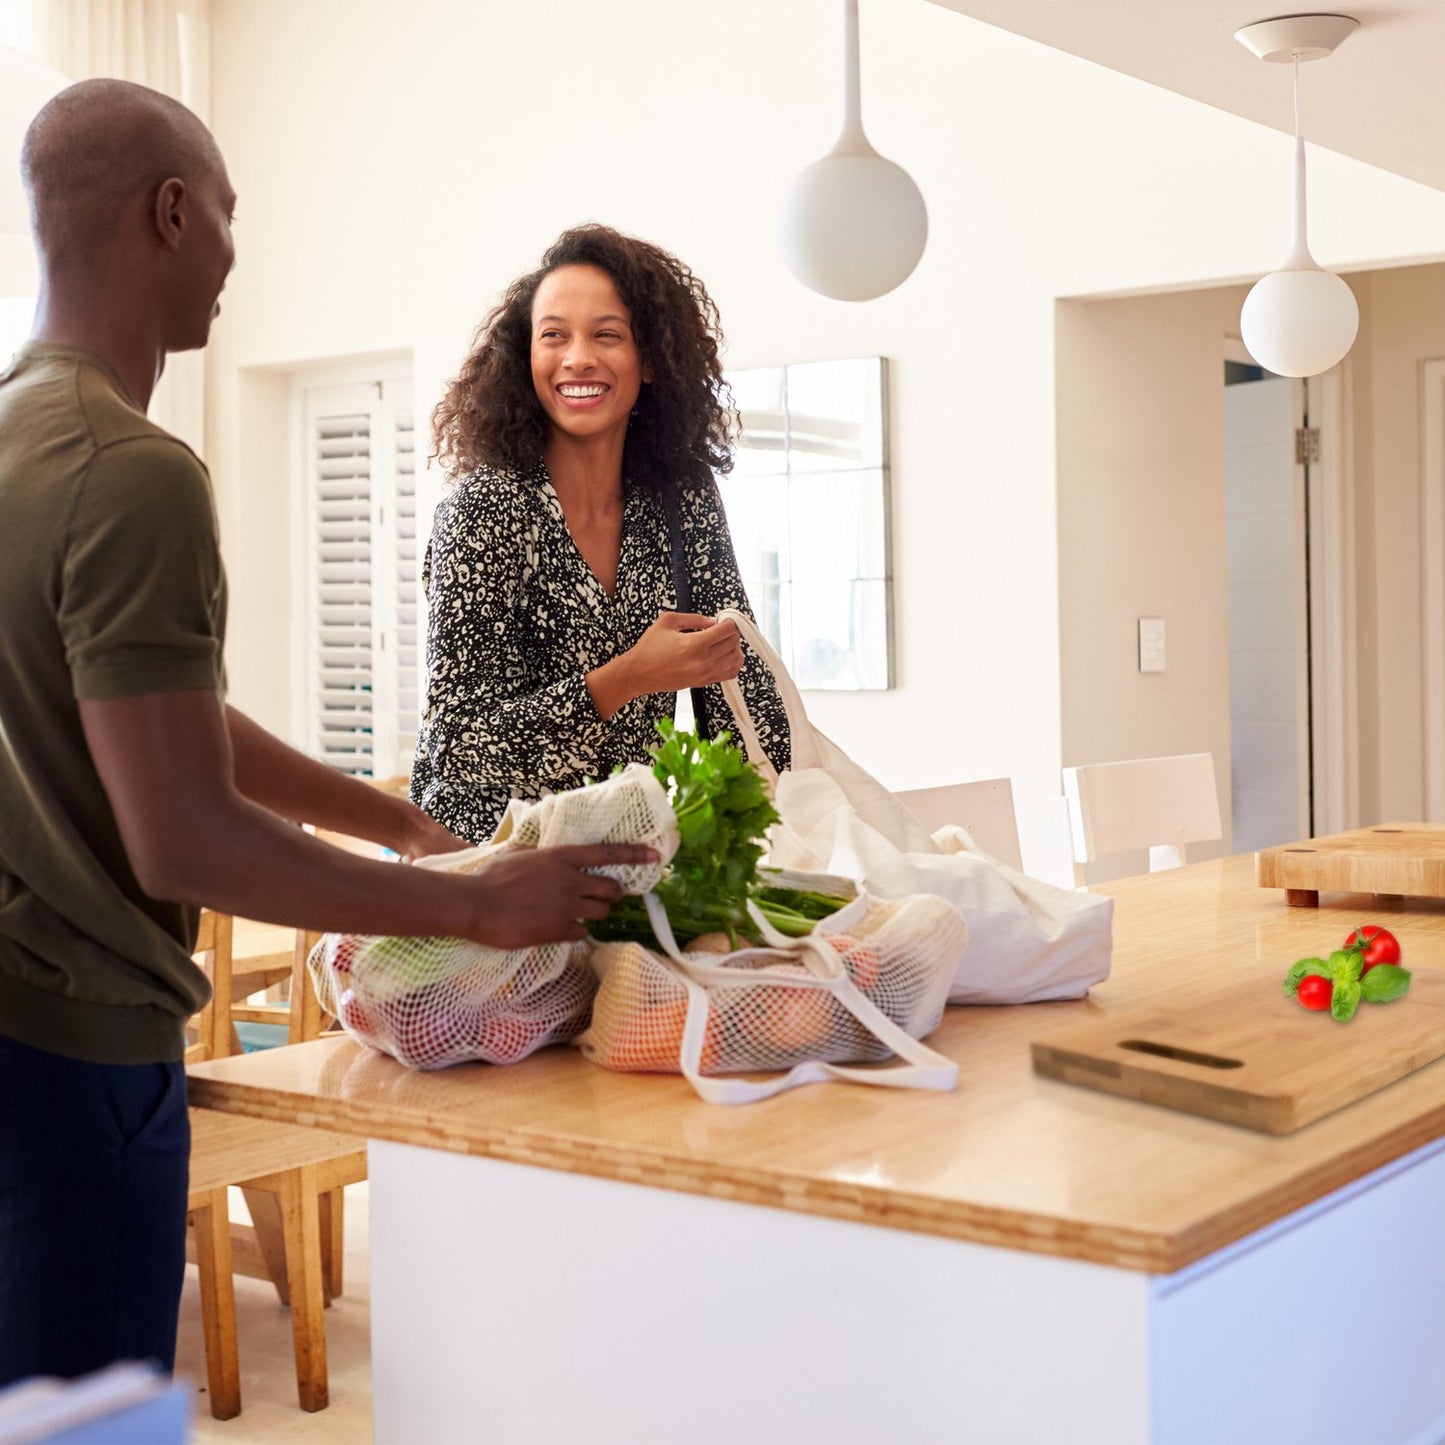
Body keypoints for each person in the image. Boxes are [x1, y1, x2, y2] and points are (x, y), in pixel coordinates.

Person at [0, 80, 654, 1389]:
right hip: (80, 1061)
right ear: (171, 212)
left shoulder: (19, 438)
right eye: (231, 217)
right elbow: (182, 836)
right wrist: (475, 906)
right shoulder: (134, 470)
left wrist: (395, 818)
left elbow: (150, 716)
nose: (239, 256)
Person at [411, 224, 791, 843]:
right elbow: (461, 748)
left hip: (625, 856)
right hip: (486, 865)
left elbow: (740, 683)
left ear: (650, 362)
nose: (578, 357)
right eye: (553, 335)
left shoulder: (681, 495)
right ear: (525, 358)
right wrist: (631, 675)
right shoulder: (486, 509)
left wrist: (796, 814)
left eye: (607, 335)